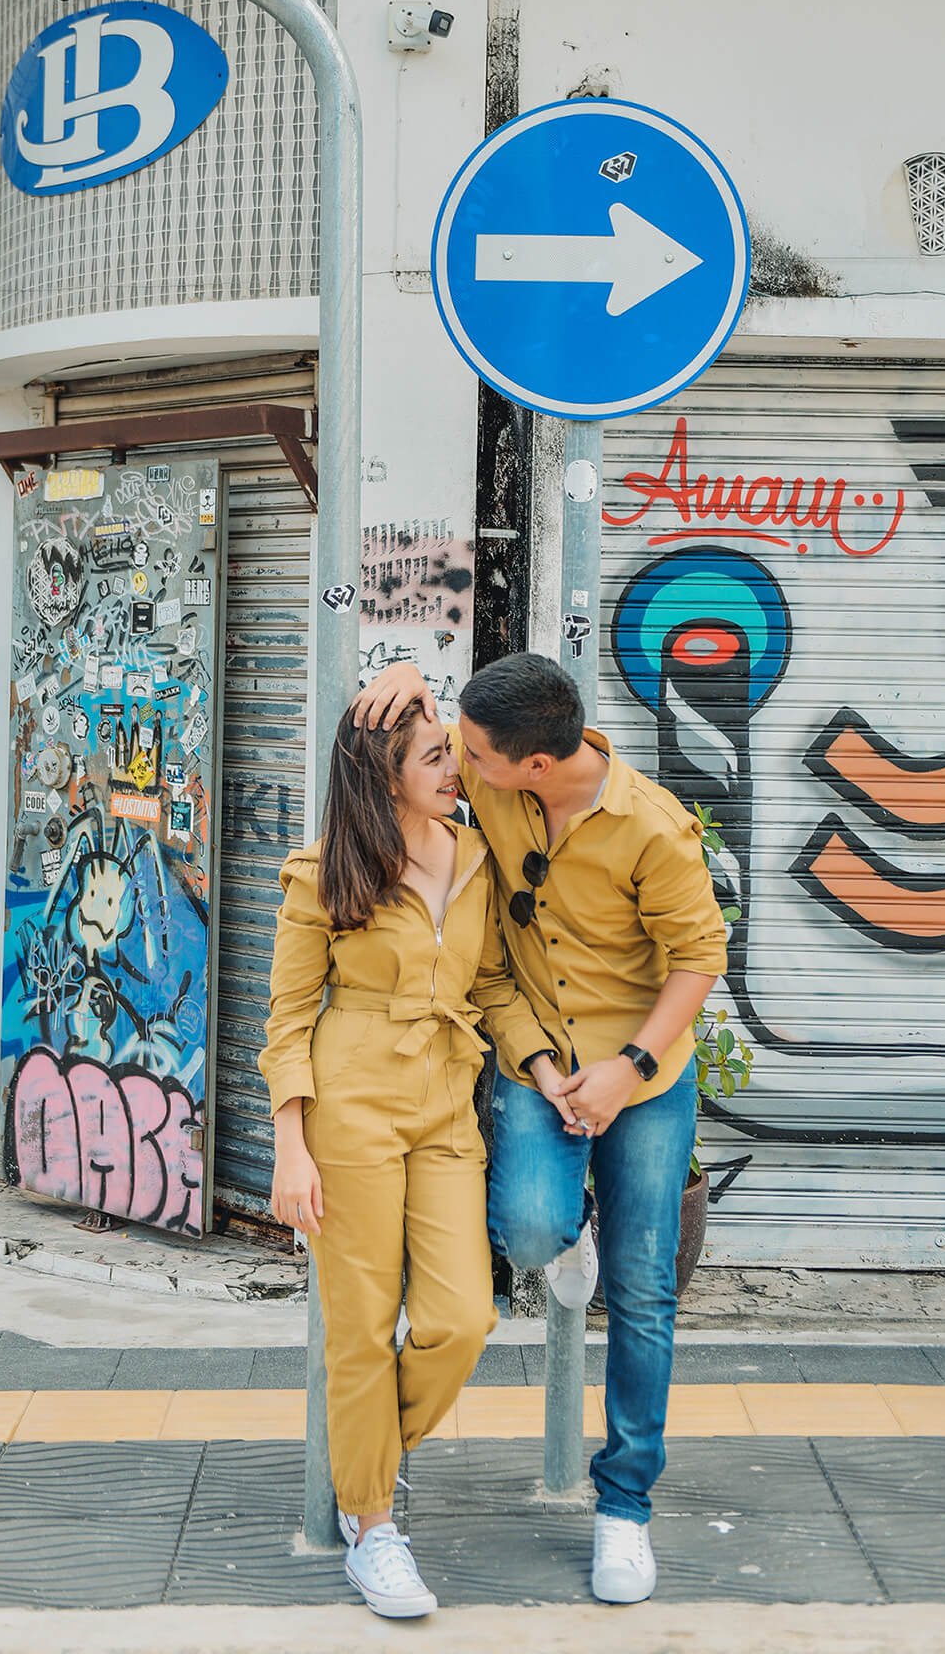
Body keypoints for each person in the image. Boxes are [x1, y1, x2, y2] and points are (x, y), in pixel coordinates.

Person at [355, 652, 726, 1605]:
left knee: (643, 1294)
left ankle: (624, 1509)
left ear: (532, 766)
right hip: (537, 1056)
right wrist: (404, 665)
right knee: (525, 1229)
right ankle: (566, 1235)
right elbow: (419, 747)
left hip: (641, 1072)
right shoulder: (500, 782)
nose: (457, 767)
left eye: (470, 754)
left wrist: (628, 1070)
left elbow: (698, 960)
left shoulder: (651, 830)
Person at [259, 698, 559, 1619]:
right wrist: (290, 1149)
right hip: (350, 1106)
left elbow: (497, 984)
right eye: (433, 756)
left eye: (448, 755)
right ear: (384, 772)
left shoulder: (474, 857)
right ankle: (372, 1527)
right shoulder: (325, 873)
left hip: (444, 1102)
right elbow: (285, 1022)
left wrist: (544, 1068)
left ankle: (363, 1461)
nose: (452, 770)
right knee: (360, 1324)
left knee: (464, 1316)